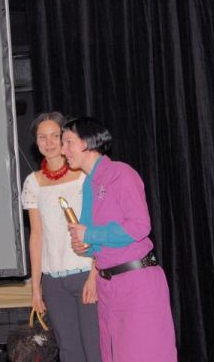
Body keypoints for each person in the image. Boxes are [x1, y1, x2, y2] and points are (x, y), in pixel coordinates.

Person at [62, 117, 177, 362]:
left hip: (136, 282)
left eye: (68, 142)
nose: (63, 150)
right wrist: (85, 246)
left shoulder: (120, 174)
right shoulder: (89, 184)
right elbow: (96, 241)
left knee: (145, 355)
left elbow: (139, 226)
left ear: (87, 142)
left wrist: (89, 234)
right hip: (108, 286)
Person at [21, 112, 101, 362]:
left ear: (66, 138)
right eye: (42, 137)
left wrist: (95, 274)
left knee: (94, 349)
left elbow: (97, 226)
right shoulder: (32, 182)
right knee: (68, 350)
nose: (49, 142)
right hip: (53, 280)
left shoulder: (84, 176)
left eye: (55, 136)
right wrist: (36, 288)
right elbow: (36, 236)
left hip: (85, 273)